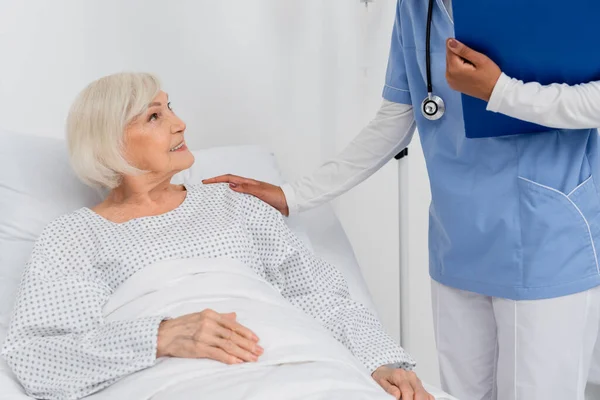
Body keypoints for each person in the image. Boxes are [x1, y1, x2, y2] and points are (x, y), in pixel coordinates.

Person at [202, 1, 600, 399]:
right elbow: (395, 118)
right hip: (458, 243)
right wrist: (295, 195)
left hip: (547, 239)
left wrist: (501, 93)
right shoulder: (416, 9)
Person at [0, 72, 433, 400]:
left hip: (299, 357)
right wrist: (159, 336)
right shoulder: (74, 236)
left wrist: (381, 359)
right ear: (109, 143)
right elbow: (37, 357)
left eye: (170, 108)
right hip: (180, 379)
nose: (180, 123)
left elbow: (316, 293)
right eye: (155, 115)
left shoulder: (232, 203)